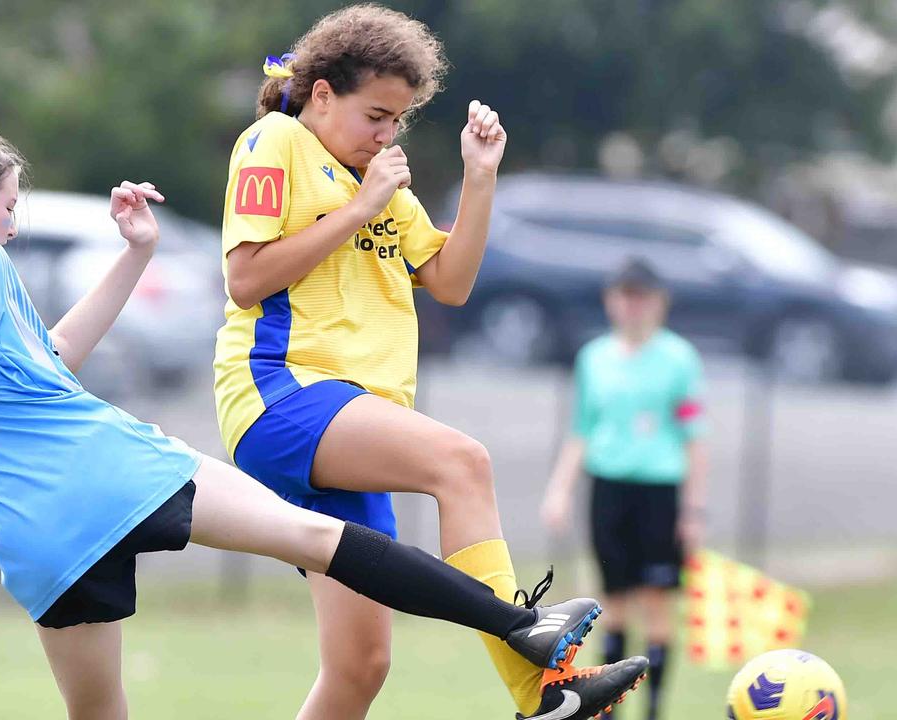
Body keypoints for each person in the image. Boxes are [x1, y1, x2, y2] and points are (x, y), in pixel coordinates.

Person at [0, 119, 642, 720]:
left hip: (34, 535)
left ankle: (526, 638)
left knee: (98, 715)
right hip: (112, 475)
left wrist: (136, 254)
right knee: (318, 537)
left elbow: (53, 356)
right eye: (10, 207)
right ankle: (521, 631)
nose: (13, 226)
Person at [213, 5, 646, 719]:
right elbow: (246, 278)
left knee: (359, 670)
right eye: (375, 115)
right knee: (461, 462)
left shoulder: (379, 182)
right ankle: (541, 691)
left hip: (350, 425)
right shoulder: (276, 141)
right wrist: (358, 208)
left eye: (398, 121)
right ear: (322, 95)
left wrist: (480, 177)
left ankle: (541, 692)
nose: (386, 134)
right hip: (282, 395)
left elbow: (450, 281)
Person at [541, 258, 709, 720]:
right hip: (609, 489)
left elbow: (695, 437)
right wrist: (559, 490)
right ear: (611, 301)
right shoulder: (594, 358)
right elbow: (582, 431)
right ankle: (611, 706)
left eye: (642, 297)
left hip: (659, 491)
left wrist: (693, 511)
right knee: (611, 606)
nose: (633, 306)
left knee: (656, 605)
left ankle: (654, 709)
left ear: (659, 302)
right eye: (625, 296)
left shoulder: (680, 359)